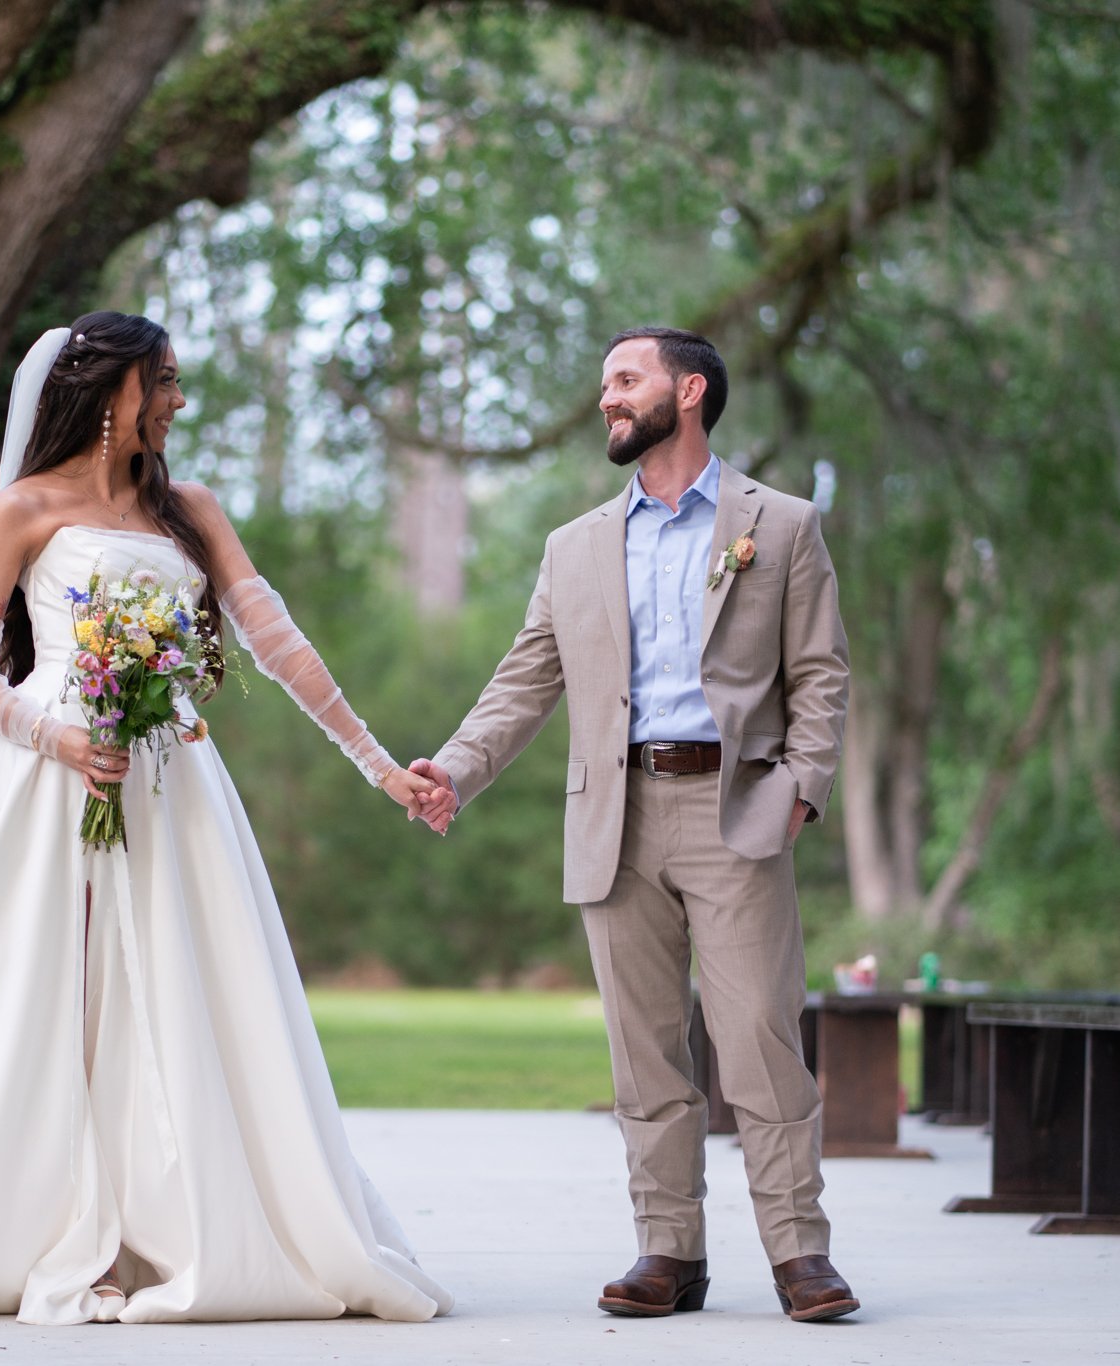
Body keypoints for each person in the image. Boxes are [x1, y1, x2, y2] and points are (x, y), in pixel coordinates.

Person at [0, 311, 451, 1326]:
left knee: (180, 993)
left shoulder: (192, 511)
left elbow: (277, 642)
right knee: (62, 1003)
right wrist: (54, 738)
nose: (177, 400)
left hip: (174, 784)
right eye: (163, 381)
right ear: (108, 392)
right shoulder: (21, 510)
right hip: (55, 784)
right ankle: (57, 1229)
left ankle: (175, 1222)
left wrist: (378, 764)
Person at [410, 326, 857, 1323]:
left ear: (687, 390)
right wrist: (455, 767)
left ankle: (800, 1254)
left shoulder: (778, 525)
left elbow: (819, 673)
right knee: (644, 1052)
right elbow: (526, 676)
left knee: (756, 1042)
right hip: (611, 814)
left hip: (739, 808)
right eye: (606, 383)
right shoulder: (572, 546)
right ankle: (668, 1251)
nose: (606, 397)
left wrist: (800, 786)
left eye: (625, 379)